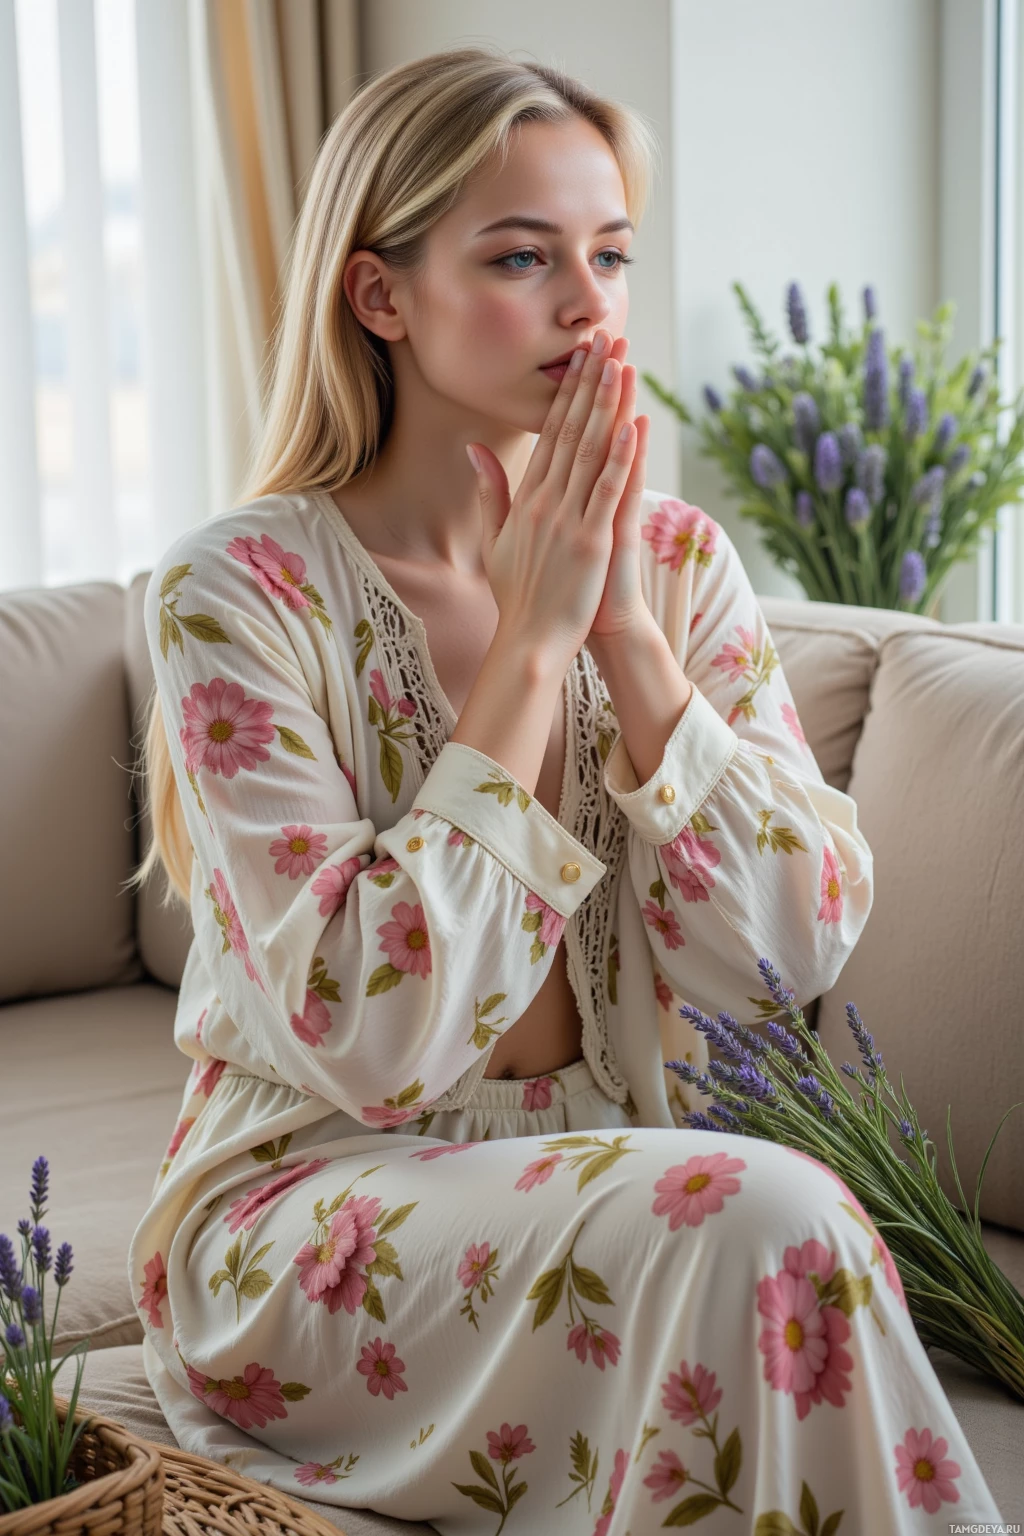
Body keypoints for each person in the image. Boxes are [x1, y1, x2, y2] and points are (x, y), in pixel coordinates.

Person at [126, 44, 1006, 1534]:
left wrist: (626, 638)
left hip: (609, 1171)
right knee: (762, 1215)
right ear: (379, 294)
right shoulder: (239, 590)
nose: (591, 305)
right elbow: (373, 1037)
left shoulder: (673, 567)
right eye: (523, 257)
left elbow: (786, 951)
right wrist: (530, 641)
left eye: (608, 254)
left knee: (747, 1236)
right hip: (306, 1228)